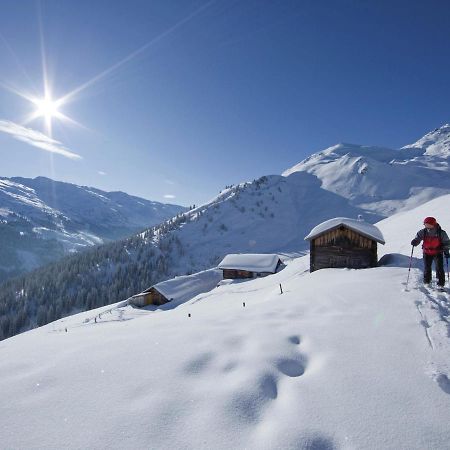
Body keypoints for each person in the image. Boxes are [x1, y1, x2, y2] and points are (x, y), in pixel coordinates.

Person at [411, 217, 450, 288]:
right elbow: (418, 237)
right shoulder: (423, 231)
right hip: (427, 252)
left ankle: (441, 284)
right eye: (425, 224)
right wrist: (415, 241)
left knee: (439, 268)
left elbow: (447, 242)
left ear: (433, 224)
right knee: (427, 267)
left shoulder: (441, 233)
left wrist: (446, 251)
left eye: (428, 224)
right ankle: (427, 281)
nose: (427, 226)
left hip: (438, 252)